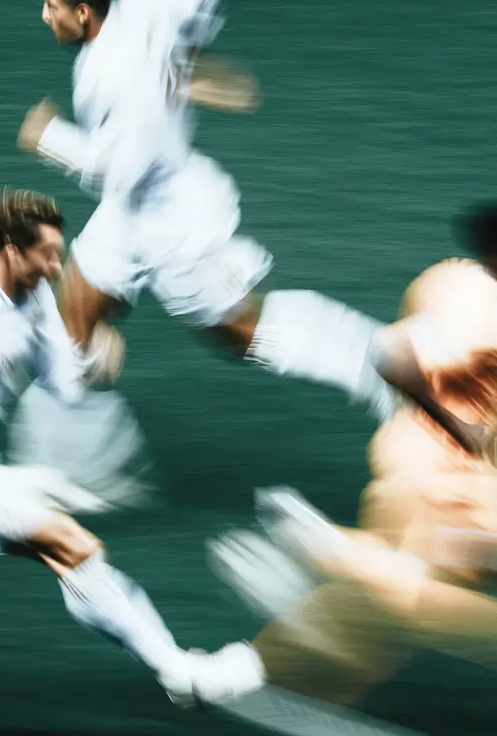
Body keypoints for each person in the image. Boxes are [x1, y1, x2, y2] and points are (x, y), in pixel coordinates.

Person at [17, 0, 394, 427]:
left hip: (174, 225)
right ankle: (80, 457)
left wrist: (49, 137)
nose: (44, 15)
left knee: (242, 335)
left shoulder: (113, 80)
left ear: (83, 14)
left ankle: (378, 363)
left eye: (52, 6)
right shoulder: (140, 3)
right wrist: (186, 59)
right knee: (69, 329)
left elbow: (118, 171)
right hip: (126, 217)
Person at [0, 188, 196, 702]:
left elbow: (61, 383)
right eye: (47, 253)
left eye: (59, 250)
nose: (58, 265)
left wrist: (91, 359)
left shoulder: (31, 296)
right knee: (74, 549)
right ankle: (177, 671)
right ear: (11, 249)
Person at [192, 200, 497, 706]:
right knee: (414, 597)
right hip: (458, 489)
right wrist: (465, 430)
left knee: (381, 623)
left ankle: (241, 669)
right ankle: (349, 558)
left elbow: (389, 355)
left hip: (412, 469)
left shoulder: (450, 283)